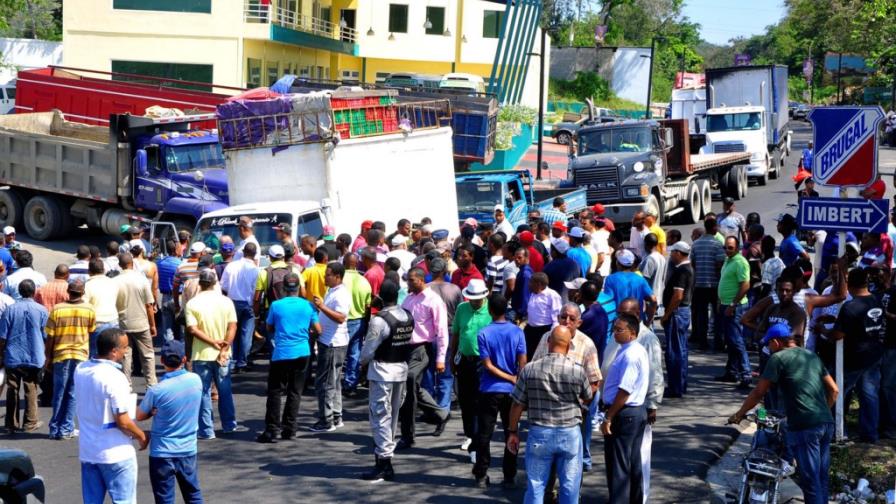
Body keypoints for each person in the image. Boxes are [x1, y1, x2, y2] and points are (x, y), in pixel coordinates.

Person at [728, 322, 838, 504]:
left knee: (810, 480)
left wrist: (739, 414)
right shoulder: (811, 356)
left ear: (776, 342)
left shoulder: (778, 358)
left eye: (769, 344)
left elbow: (759, 392)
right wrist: (821, 412)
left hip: (805, 425)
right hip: (826, 422)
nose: (768, 348)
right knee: (821, 476)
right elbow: (834, 390)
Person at [506, 326, 593, 503]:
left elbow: (517, 404)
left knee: (536, 485)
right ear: (568, 346)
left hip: (540, 432)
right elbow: (588, 395)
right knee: (570, 486)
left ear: (548, 342)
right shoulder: (577, 370)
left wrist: (512, 431)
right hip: (569, 433)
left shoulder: (530, 369)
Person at [75, 327, 148, 504]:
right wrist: (141, 435)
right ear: (114, 351)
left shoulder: (81, 369)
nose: (126, 351)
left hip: (89, 452)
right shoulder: (115, 377)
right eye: (124, 348)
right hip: (116, 453)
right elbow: (123, 421)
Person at [136, 340, 204, 504]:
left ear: (162, 361)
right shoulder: (196, 380)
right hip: (187, 449)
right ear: (184, 359)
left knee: (164, 499)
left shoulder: (157, 390)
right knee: (193, 495)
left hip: (162, 452)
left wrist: (152, 411)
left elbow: (139, 415)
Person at [257, 273, 320, 443]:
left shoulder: (276, 305)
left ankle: (272, 429)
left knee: (275, 390)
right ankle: (290, 428)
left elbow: (269, 327)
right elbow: (318, 329)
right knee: (295, 391)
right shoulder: (308, 305)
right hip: (302, 351)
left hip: (282, 352)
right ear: (299, 288)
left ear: (283, 288)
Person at [472, 293, 527, 489]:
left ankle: (481, 473)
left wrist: (507, 377)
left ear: (490, 310)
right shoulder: (517, 332)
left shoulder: (484, 333)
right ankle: (509, 475)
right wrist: (515, 379)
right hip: (511, 391)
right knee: (511, 431)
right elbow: (523, 361)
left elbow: (487, 365)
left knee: (484, 433)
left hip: (489, 389)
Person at [360, 280, 412, 481]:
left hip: (383, 372)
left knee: (380, 416)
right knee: (392, 417)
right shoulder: (407, 316)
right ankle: (384, 459)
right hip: (401, 370)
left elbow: (367, 351)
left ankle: (383, 462)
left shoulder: (379, 321)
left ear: (380, 296)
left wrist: (362, 364)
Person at [186, 269, 244, 438]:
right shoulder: (226, 302)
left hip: (201, 354)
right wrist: (224, 347)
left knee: (203, 392)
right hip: (222, 354)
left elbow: (192, 329)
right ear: (215, 283)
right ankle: (229, 425)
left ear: (200, 284)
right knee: (224, 390)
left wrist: (212, 342)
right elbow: (232, 326)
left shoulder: (192, 303)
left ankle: (206, 430)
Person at [831, 267, 885, 442]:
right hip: (873, 356)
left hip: (853, 359)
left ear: (849, 285)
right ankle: (870, 434)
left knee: (837, 393)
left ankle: (838, 431)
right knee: (870, 395)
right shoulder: (876, 300)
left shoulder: (850, 307)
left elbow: (838, 335)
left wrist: (823, 330)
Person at [600, 312, 650, 504]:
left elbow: (625, 390)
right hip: (633, 413)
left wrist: (609, 417)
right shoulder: (631, 350)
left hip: (624, 413)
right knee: (632, 461)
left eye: (619, 330)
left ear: (632, 333)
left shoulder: (630, 355)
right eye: (614, 329)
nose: (615, 333)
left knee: (618, 464)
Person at [398, 268, 450, 448]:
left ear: (421, 280)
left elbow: (442, 330)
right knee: (413, 387)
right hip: (405, 348)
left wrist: (441, 358)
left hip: (422, 349)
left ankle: (407, 435)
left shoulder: (433, 300)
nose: (408, 283)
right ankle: (441, 414)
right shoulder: (408, 298)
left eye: (411, 280)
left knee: (409, 381)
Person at [45, 279, 95, 440]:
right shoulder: (89, 309)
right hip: (80, 355)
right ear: (83, 292)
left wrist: (48, 357)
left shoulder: (57, 309)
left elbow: (50, 337)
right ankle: (67, 428)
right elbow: (91, 332)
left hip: (60, 355)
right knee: (73, 393)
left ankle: (55, 428)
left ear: (68, 291)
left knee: (59, 392)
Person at [451, 279, 492, 454]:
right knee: (465, 400)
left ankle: (476, 439)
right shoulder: (462, 308)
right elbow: (456, 334)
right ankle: (470, 434)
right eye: (472, 299)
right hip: (463, 360)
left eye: (477, 299)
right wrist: (452, 359)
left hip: (483, 362)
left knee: (478, 401)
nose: (474, 302)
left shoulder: (490, 309)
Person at [0, 280, 48, 433]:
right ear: (34, 292)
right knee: (31, 388)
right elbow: (46, 335)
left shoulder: (10, 310)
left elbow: (2, 336)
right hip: (34, 356)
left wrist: (1, 354)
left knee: (12, 389)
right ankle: (30, 423)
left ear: (20, 292)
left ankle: (11, 424)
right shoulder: (42, 310)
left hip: (13, 356)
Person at [310, 262, 351, 432]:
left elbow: (341, 317)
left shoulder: (341, 294)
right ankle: (335, 416)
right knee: (334, 382)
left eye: (328, 275)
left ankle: (326, 421)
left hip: (333, 343)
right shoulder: (332, 290)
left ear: (337, 277)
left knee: (325, 383)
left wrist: (322, 306)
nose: (324, 277)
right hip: (329, 341)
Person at [116, 253, 157, 389]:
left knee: (125, 355)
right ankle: (151, 384)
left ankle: (126, 385)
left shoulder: (115, 281)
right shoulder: (142, 279)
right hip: (141, 323)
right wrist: (152, 325)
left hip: (123, 323)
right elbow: (149, 305)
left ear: (120, 265)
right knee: (148, 354)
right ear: (132, 264)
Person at [717, 236, 752, 390]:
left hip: (735, 307)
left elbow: (745, 285)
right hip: (725, 304)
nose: (727, 250)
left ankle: (746, 374)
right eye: (725, 247)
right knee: (730, 340)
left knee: (736, 341)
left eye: (730, 247)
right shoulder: (728, 260)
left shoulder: (740, 262)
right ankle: (732, 372)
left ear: (737, 248)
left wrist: (733, 304)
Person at [220, 242, 260, 373]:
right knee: (246, 334)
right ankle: (242, 362)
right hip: (248, 304)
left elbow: (223, 286)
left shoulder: (231, 266)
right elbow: (256, 291)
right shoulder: (255, 270)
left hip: (232, 302)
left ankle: (232, 361)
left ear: (243, 252)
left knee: (232, 332)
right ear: (254, 254)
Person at [661, 241, 693, 397]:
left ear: (679, 253)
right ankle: (679, 385)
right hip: (681, 313)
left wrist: (667, 314)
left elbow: (678, 296)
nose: (671, 255)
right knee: (680, 349)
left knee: (675, 351)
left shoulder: (682, 270)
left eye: (673, 252)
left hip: (677, 314)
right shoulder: (686, 268)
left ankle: (676, 387)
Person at [690, 217, 726, 351]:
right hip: (714, 285)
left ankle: (702, 342)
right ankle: (718, 343)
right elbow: (719, 265)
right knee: (717, 315)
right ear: (714, 228)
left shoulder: (696, 244)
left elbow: (693, 263)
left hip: (699, 284)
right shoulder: (717, 244)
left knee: (702, 314)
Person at [340, 253, 372, 396]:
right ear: (356, 263)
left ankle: (334, 383)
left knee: (338, 353)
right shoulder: (364, 281)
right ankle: (350, 384)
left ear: (344, 262)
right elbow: (367, 305)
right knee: (354, 354)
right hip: (358, 320)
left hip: (340, 320)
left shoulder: (339, 279)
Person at [603, 250, 657, 322]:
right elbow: (653, 300)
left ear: (617, 263)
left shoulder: (610, 279)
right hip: (636, 321)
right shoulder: (640, 279)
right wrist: (649, 321)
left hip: (618, 321)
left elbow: (608, 301)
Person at [524, 272, 562, 360]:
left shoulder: (552, 295)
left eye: (531, 282)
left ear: (539, 284)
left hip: (543, 331)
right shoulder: (533, 293)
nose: (529, 285)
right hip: (530, 330)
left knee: (539, 356)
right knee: (528, 354)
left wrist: (551, 334)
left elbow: (556, 317)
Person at [156, 240, 182, 343]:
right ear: (175, 250)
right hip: (179, 297)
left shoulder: (159, 263)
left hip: (165, 297)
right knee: (182, 327)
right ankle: (182, 348)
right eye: (180, 248)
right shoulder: (180, 264)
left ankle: (168, 348)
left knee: (167, 329)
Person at [639, 234, 666, 311]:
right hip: (658, 297)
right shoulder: (662, 257)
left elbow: (644, 281)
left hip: (650, 299)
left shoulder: (650, 259)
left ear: (646, 244)